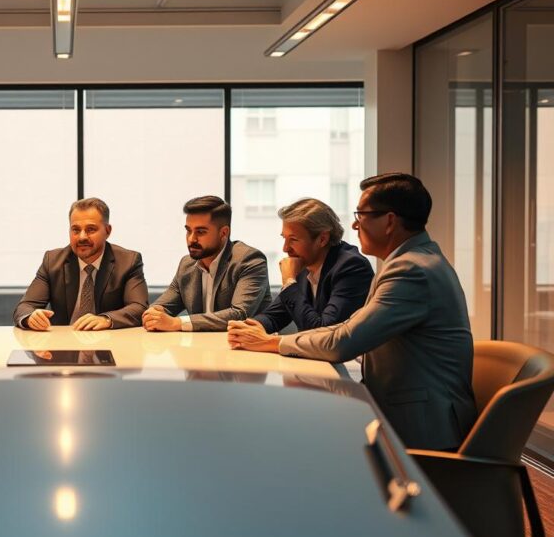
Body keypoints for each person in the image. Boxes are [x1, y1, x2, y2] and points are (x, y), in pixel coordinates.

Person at [228, 173, 476, 450]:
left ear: (390, 221)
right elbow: (345, 327)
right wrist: (258, 333)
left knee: (291, 442)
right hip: (404, 409)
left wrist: (273, 342)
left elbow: (344, 341)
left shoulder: (411, 271)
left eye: (361, 214)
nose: (355, 224)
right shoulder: (412, 261)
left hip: (422, 427)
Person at [14, 197, 148, 331]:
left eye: (91, 229)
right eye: (76, 230)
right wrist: (31, 317)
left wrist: (106, 319)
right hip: (63, 343)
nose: (82, 237)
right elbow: (24, 307)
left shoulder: (128, 261)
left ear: (107, 231)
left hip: (109, 342)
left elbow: (139, 307)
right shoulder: (53, 261)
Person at [142, 195, 270, 332]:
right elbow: (163, 306)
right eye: (188, 230)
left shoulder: (249, 260)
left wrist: (177, 323)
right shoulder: (187, 265)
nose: (191, 239)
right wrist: (154, 314)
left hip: (247, 348)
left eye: (201, 232)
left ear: (223, 233)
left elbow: (239, 315)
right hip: (201, 348)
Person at [251, 198, 373, 334]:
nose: (285, 248)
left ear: (322, 239)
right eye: (284, 238)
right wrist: (248, 327)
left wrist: (289, 282)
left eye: (293, 240)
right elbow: (273, 317)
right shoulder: (304, 264)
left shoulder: (351, 267)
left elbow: (323, 332)